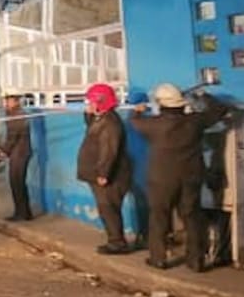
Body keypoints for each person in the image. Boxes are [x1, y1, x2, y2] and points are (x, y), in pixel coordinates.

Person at [132, 83, 229, 271]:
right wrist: (203, 95)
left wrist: (137, 111)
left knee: (159, 216)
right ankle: (196, 261)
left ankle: (158, 258)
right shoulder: (195, 121)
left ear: (160, 105)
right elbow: (220, 109)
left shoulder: (152, 125)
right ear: (181, 103)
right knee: (192, 217)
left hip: (162, 178)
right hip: (192, 175)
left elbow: (135, 122)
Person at [77, 83, 132, 255]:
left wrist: (103, 173)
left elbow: (109, 151)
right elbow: (91, 127)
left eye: (91, 101)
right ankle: (115, 240)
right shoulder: (102, 118)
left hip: (110, 176)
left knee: (109, 208)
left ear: (101, 102)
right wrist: (87, 114)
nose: (89, 104)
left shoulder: (110, 123)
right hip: (100, 174)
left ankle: (117, 243)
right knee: (106, 208)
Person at [2, 92, 34, 222]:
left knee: (17, 183)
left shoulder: (18, 115)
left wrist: (4, 150)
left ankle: (22, 213)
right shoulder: (13, 114)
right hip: (18, 152)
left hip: (20, 153)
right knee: (17, 183)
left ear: (15, 101)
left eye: (7, 101)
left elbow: (13, 136)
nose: (5, 104)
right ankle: (23, 212)